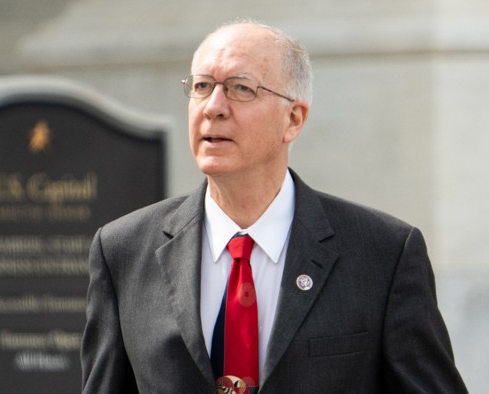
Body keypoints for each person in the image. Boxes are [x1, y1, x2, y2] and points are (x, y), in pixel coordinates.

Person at [80, 20, 468, 393]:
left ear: (293, 119)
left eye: (240, 88)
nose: (213, 107)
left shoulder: (383, 255)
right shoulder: (123, 252)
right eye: (202, 86)